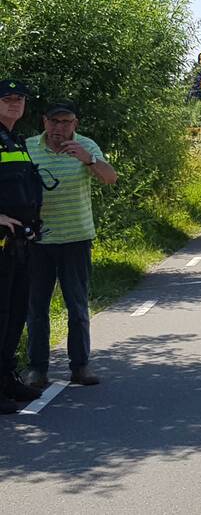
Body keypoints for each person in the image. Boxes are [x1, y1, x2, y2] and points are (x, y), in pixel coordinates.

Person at [24, 101, 117, 389]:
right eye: (54, 122)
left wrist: (88, 159)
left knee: (77, 306)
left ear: (75, 124)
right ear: (44, 122)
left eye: (66, 122)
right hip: (37, 241)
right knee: (36, 308)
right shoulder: (28, 147)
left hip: (76, 238)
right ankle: (37, 369)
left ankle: (80, 366)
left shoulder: (86, 146)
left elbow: (110, 178)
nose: (59, 128)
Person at [0, 79, 44, 413]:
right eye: (7, 98)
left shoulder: (15, 139)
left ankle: (6, 379)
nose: (15, 103)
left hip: (19, 244)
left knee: (14, 316)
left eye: (20, 98)